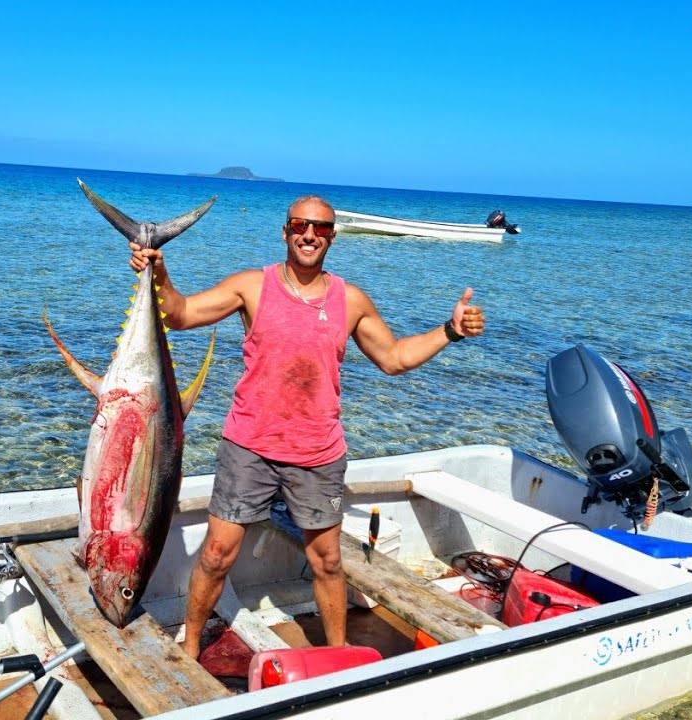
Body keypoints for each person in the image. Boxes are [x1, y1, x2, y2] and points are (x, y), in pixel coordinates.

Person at [128, 194, 485, 659]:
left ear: (332, 237)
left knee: (328, 560)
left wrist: (449, 331)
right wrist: (158, 272)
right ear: (285, 231)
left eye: (320, 228)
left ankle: (338, 654)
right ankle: (191, 642)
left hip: (318, 453)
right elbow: (179, 314)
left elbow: (394, 358)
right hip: (248, 446)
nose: (309, 234)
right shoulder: (251, 287)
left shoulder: (350, 300)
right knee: (216, 555)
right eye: (300, 225)